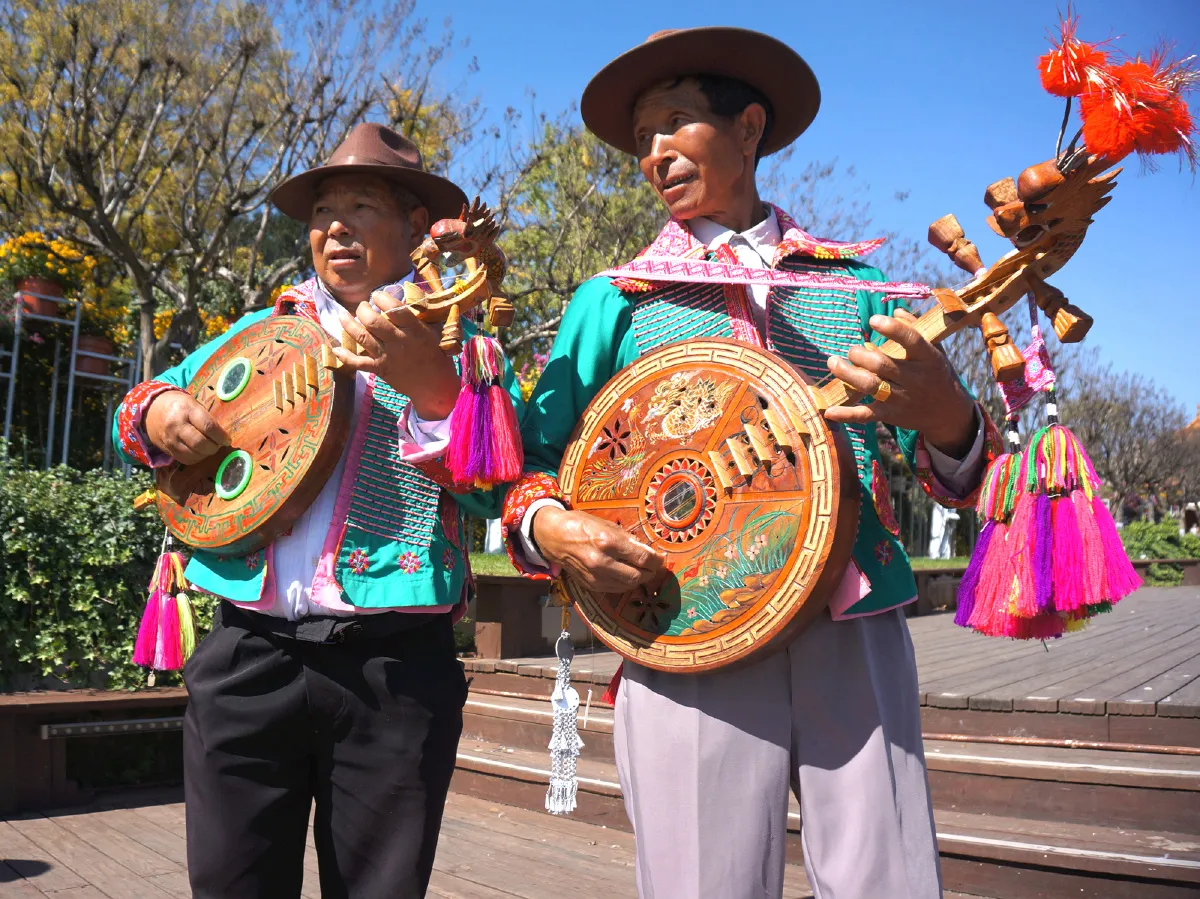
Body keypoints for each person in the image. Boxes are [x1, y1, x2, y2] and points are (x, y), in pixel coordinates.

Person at [499, 28, 1001, 899]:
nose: (655, 152)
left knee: (890, 880)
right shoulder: (613, 302)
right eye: (644, 137)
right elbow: (527, 463)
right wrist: (554, 526)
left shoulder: (855, 290)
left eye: (678, 122)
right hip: (682, 622)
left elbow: (949, 468)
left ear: (749, 127)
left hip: (852, 614)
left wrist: (951, 417)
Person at [112, 123, 522, 899]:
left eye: (361, 205)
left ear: (412, 229)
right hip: (247, 654)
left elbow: (499, 483)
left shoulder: (463, 346)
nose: (334, 225)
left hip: (391, 670)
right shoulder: (263, 333)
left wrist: (433, 388)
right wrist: (163, 412)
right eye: (322, 210)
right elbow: (137, 410)